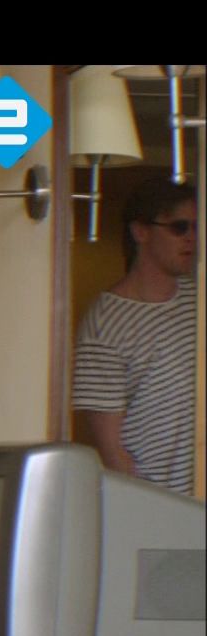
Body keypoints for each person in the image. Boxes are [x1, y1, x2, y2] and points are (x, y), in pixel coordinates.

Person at [73, 177, 199, 495]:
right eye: (179, 227)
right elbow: (113, 452)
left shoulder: (198, 300)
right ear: (140, 231)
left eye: (197, 227)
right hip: (160, 504)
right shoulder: (105, 323)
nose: (191, 238)